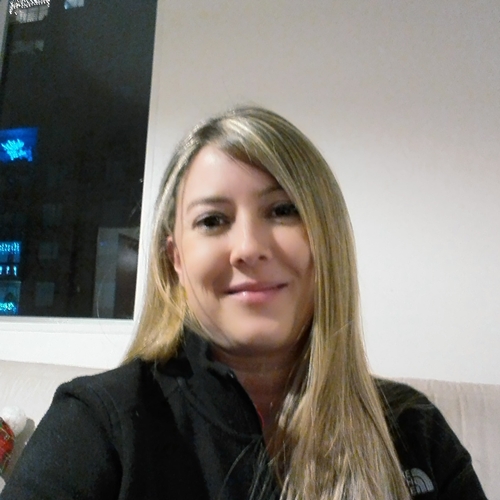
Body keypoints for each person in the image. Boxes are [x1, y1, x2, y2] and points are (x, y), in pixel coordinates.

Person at [1, 106, 487, 500]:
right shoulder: (97, 423)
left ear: (328, 239)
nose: (249, 247)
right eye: (213, 220)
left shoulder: (413, 429)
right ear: (176, 259)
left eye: (283, 210)